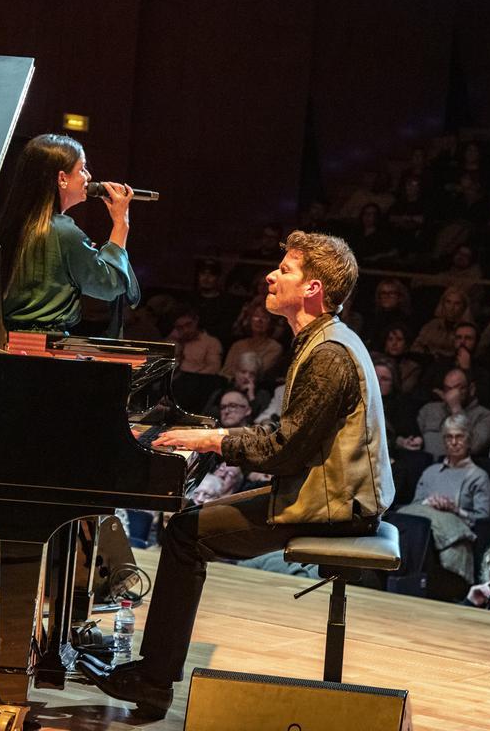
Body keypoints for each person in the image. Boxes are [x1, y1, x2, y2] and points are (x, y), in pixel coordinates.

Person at [78, 231, 394, 718]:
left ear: (312, 288)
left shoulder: (327, 355)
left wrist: (210, 440)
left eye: (285, 270)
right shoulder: (325, 340)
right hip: (329, 495)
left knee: (186, 534)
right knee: (188, 527)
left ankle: (154, 681)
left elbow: (285, 450)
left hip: (334, 508)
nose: (271, 275)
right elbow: (292, 434)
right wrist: (216, 436)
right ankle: (153, 676)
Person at [0, 134, 137, 643]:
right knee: (46, 492)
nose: (88, 177)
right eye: (82, 169)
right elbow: (110, 286)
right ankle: (42, 617)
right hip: (47, 381)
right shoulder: (65, 234)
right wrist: (120, 223)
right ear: (60, 178)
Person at [397, 414, 490, 592]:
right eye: (449, 437)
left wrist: (455, 509)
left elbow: (482, 519)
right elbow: (415, 507)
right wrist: (429, 502)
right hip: (424, 529)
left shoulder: (479, 476)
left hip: (454, 532)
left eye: (459, 437)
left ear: (469, 440)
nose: (454, 442)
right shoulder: (430, 472)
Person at [416, 367, 490, 458]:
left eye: (458, 388)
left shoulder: (486, 416)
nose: (452, 393)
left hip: (458, 468)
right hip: (423, 464)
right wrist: (404, 442)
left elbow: (474, 446)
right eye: (448, 389)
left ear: (471, 389)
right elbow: (413, 436)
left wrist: (456, 408)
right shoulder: (429, 408)